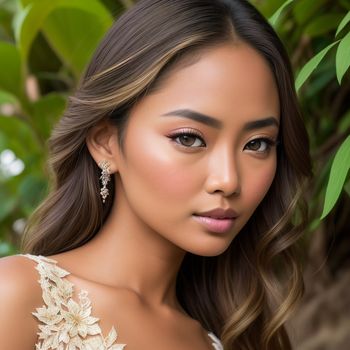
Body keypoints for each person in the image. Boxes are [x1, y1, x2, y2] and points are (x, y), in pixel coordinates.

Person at [0, 0, 313, 349]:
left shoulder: (226, 341)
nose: (228, 180)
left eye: (257, 144)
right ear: (106, 143)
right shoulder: (19, 298)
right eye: (189, 138)